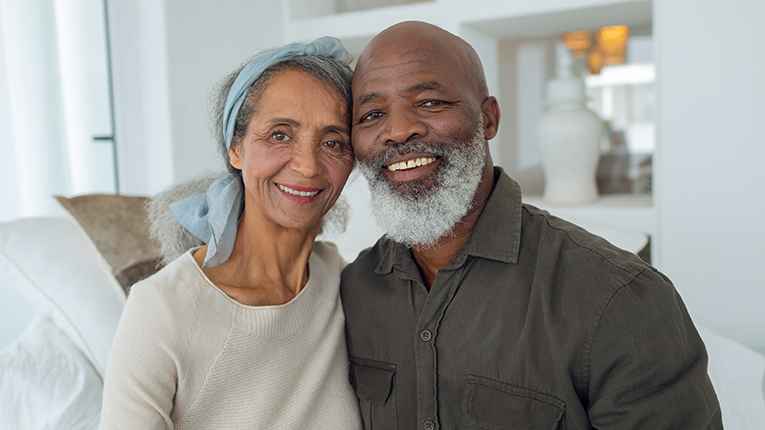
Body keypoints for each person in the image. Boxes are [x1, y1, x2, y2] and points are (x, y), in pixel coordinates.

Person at [341, 21, 722, 429]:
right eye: (373, 114)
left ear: (488, 119)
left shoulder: (618, 300)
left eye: (430, 102)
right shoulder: (353, 291)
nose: (398, 130)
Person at [100, 37, 362, 429]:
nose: (308, 166)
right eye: (279, 134)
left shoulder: (341, 283)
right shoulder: (162, 310)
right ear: (235, 148)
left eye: (332, 142)